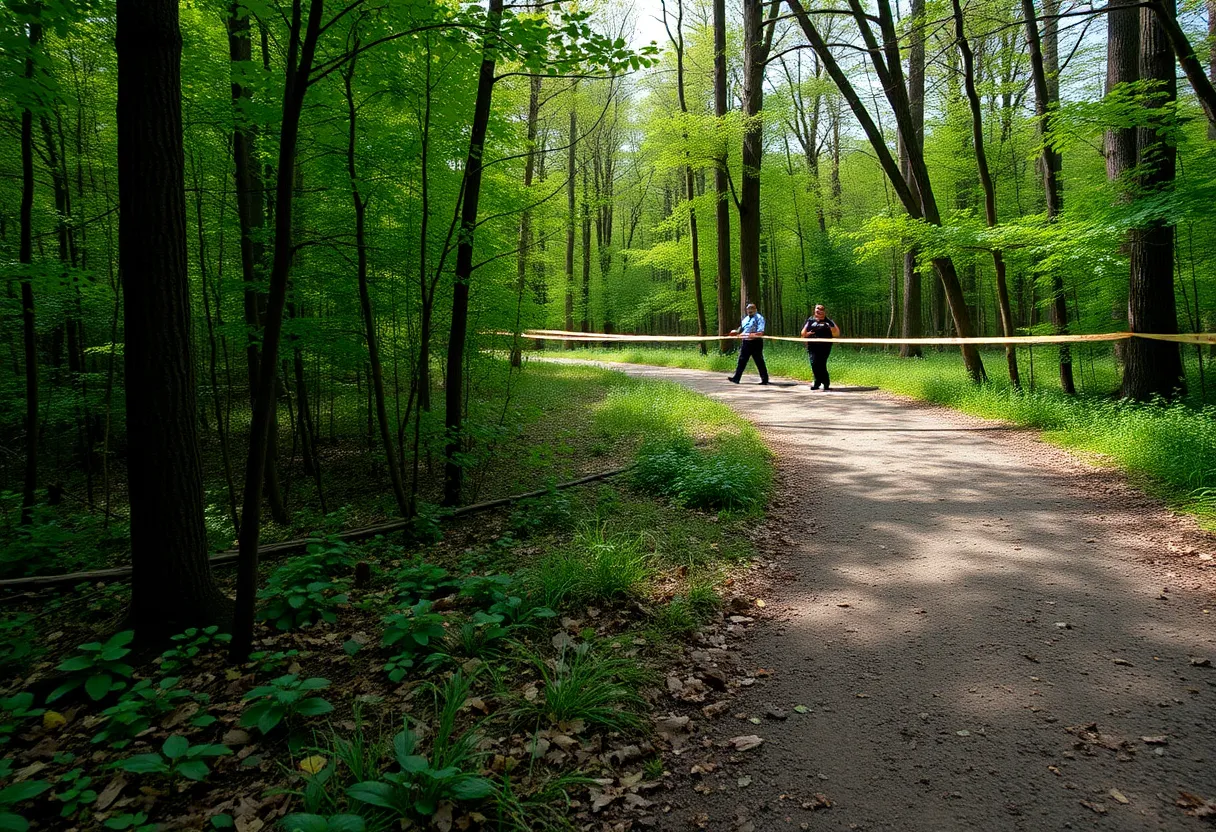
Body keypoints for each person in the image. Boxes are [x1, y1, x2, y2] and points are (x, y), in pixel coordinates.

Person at [800, 304, 840, 390]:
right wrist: (807, 334)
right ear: (814, 310)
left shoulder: (829, 321)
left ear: (824, 312)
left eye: (821, 309)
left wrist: (831, 328)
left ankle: (826, 383)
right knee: (814, 364)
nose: (819, 311)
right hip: (812, 346)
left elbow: (837, 333)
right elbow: (803, 333)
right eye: (817, 309)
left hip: (825, 347)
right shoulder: (810, 320)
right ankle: (817, 382)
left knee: (821, 364)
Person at [727, 303, 769, 385]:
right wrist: (736, 332)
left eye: (752, 309)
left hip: (756, 342)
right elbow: (742, 329)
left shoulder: (759, 318)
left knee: (759, 360)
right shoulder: (745, 319)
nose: (750, 310)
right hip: (746, 342)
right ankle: (736, 378)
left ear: (755, 309)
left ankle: (765, 379)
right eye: (749, 309)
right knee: (742, 360)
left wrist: (753, 335)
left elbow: (760, 332)